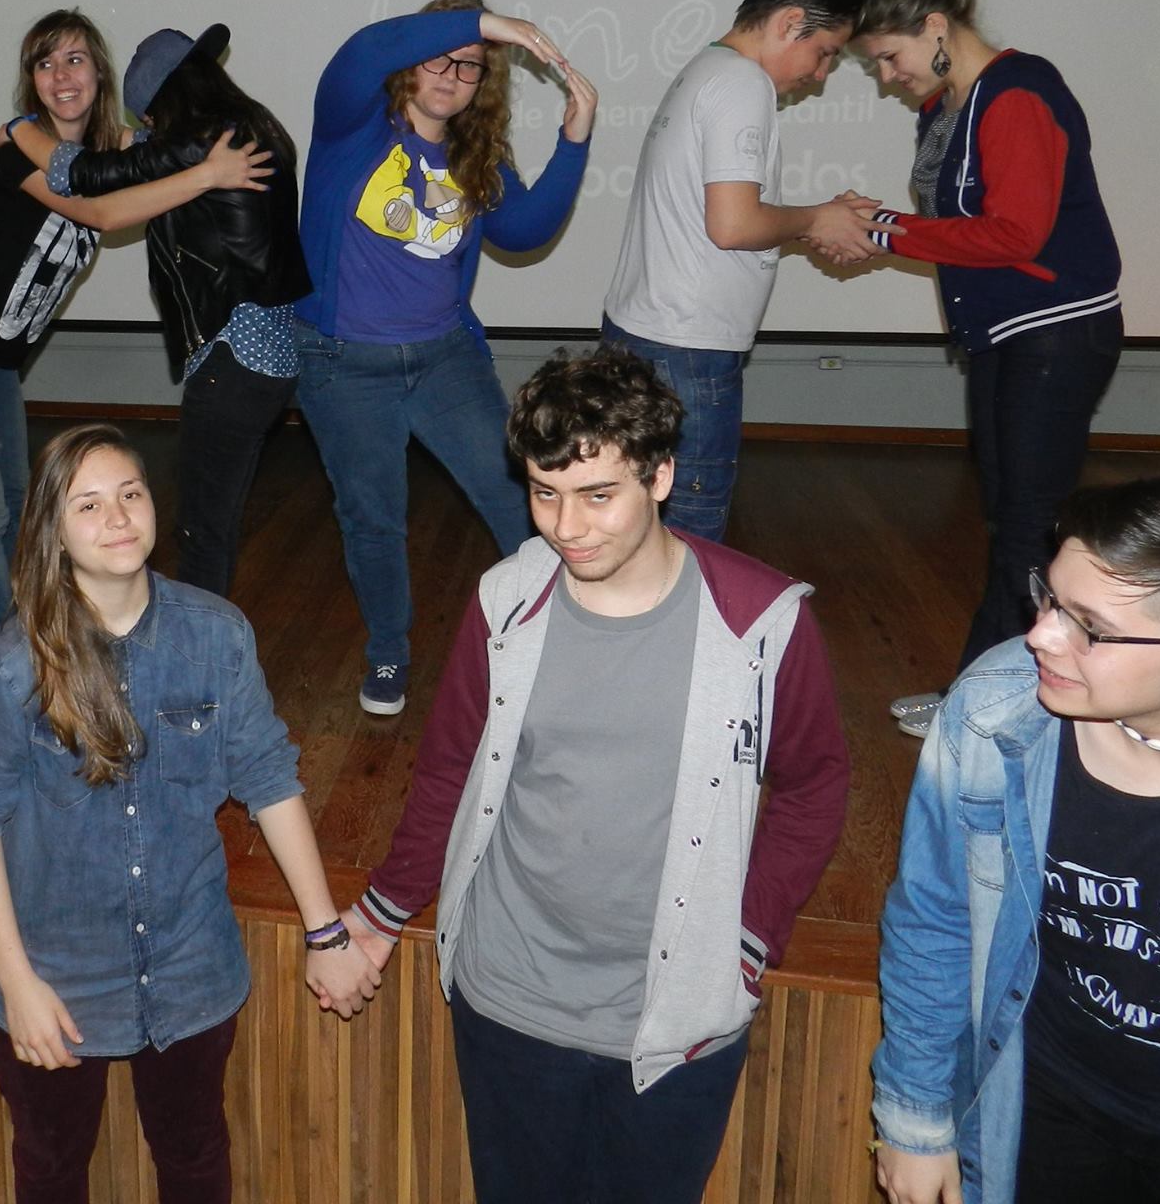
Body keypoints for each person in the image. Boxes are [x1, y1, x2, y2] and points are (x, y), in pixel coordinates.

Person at [332, 346, 850, 1204]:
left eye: (598, 495)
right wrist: (382, 915)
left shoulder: (761, 623)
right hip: (509, 1004)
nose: (567, 527)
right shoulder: (506, 601)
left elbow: (815, 785)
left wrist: (750, 942)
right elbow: (450, 770)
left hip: (676, 1021)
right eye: (545, 493)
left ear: (661, 476)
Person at [0, 423, 375, 1202]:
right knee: (50, 1166)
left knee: (196, 1155)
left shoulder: (217, 635)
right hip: (59, 976)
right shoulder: (9, 668)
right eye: (88, 505)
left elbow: (270, 779)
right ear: (53, 532)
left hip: (189, 967)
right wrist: (17, 981)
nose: (118, 517)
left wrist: (326, 931)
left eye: (130, 494)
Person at [871, 477, 1160, 1204]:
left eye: (1090, 627)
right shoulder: (992, 708)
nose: (1041, 635)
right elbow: (933, 921)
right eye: (1050, 598)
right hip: (1036, 1117)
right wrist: (915, 1121)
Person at [0, 10, 270, 630]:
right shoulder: (16, 156)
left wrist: (197, 144)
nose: (61, 76)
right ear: (31, 81)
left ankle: (38, 630)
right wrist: (209, 174)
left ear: (99, 72)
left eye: (74, 59)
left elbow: (156, 154)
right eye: (44, 64)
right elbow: (101, 214)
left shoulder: (107, 152)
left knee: (18, 505)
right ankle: (23, 651)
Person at [293, 0, 600, 714]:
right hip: (344, 364)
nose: (452, 75)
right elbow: (364, 49)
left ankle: (559, 637)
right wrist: (490, 25)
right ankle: (389, 653)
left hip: (444, 361)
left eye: (469, 67)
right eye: (438, 58)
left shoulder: (475, 153)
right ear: (409, 60)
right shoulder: (351, 123)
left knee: (517, 495)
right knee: (372, 518)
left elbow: (523, 231)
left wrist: (575, 139)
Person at [849, 0, 1124, 738]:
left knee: (1030, 528)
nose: (887, 76)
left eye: (891, 57)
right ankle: (1005, 696)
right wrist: (878, 225)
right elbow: (959, 228)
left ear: (936, 25)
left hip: (1056, 333)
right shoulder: (946, 106)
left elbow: (1014, 233)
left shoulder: (1019, 93)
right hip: (1008, 335)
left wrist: (886, 231)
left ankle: (995, 705)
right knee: (1014, 522)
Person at [7, 23, 310, 597]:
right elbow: (143, 152)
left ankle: (196, 645)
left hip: (231, 355)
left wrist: (17, 129)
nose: (148, 129)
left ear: (164, 102)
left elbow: (81, 176)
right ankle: (213, 635)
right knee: (218, 520)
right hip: (269, 358)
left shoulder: (201, 140)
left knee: (201, 530)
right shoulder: (250, 125)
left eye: (148, 117)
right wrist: (138, 141)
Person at [600, 0, 877, 544]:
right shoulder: (741, 83)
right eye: (825, 52)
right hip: (686, 346)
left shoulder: (708, 68)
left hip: (653, 333)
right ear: (789, 22)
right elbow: (732, 225)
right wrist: (817, 219)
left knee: (640, 531)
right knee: (691, 538)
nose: (821, 74)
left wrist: (821, 219)